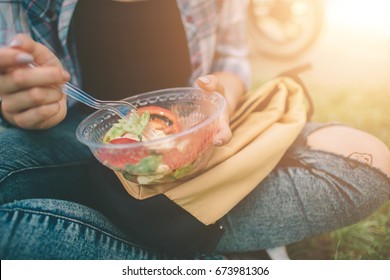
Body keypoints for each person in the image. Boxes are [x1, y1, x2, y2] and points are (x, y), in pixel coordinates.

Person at [0, 0, 389, 259]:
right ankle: (204, 251)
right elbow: (19, 79)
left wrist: (221, 98)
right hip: (76, 144)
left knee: (369, 162)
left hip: (201, 139)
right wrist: (30, 105)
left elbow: (232, 63)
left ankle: (115, 239)